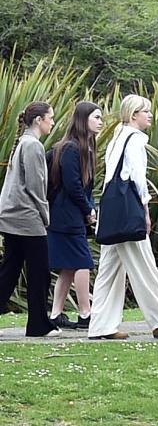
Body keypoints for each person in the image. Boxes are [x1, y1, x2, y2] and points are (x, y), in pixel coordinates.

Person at [88, 95, 158, 340]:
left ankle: (101, 326)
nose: (150, 115)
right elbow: (136, 178)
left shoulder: (117, 138)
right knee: (144, 265)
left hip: (112, 213)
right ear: (134, 114)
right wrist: (145, 210)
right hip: (127, 213)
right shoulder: (135, 140)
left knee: (109, 270)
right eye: (146, 111)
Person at [0, 101, 61, 337]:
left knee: (10, 269)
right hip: (26, 218)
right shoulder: (33, 146)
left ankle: (38, 323)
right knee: (39, 272)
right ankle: (38, 324)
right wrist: (45, 215)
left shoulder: (22, 143)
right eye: (50, 117)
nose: (53, 122)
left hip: (12, 215)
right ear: (39, 120)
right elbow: (36, 187)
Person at [46, 101, 102, 331]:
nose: (100, 122)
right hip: (65, 215)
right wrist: (87, 209)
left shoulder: (83, 147)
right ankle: (85, 313)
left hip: (69, 214)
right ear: (83, 119)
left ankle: (56, 313)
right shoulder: (70, 148)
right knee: (82, 262)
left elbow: (83, 187)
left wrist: (89, 207)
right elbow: (73, 185)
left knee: (69, 266)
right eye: (96, 117)